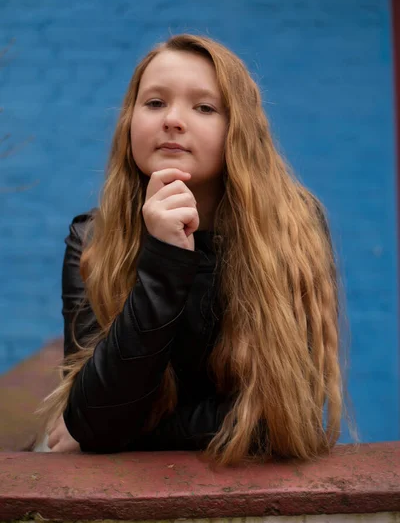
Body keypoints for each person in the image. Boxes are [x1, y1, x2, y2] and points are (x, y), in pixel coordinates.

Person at [39, 33, 344, 465]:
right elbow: (96, 418)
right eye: (155, 103)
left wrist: (134, 431)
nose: (173, 120)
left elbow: (285, 417)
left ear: (239, 129)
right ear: (130, 121)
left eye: (204, 107)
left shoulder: (293, 231)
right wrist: (165, 260)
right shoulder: (94, 240)